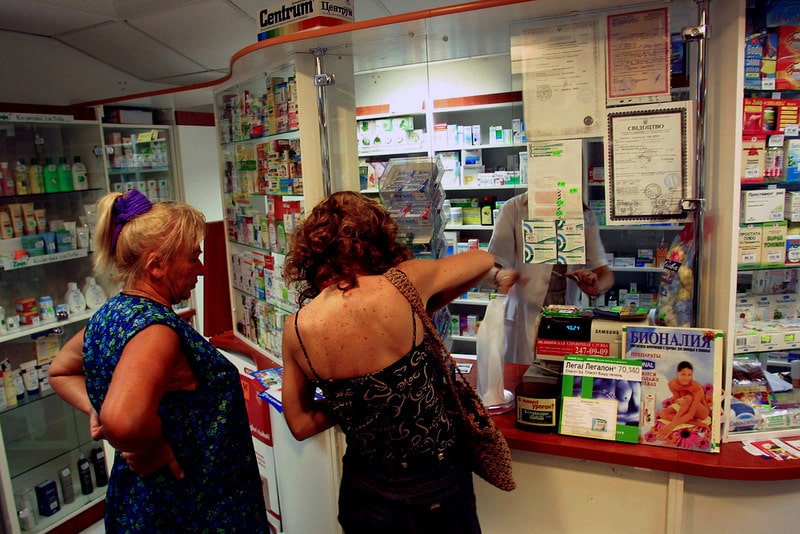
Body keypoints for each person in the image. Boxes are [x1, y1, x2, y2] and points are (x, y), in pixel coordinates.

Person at [280, 191, 518, 534]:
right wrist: (422, 305)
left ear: (311, 252)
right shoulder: (403, 283)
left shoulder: (297, 328)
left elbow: (300, 424)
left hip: (364, 490)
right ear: (378, 238)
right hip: (434, 483)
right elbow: (481, 261)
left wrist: (359, 399)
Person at [49, 190, 268, 532]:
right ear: (156, 266)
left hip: (139, 502)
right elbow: (123, 421)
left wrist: (98, 405)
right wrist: (145, 445)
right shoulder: (156, 332)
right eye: (193, 258)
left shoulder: (112, 313)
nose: (202, 269)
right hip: (191, 506)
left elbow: (61, 370)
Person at [488, 192, 615, 363]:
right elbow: (490, 267)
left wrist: (597, 287)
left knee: (562, 382)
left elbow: (605, 274)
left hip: (566, 320)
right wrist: (500, 276)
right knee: (523, 381)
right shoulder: (514, 208)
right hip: (523, 318)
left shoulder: (583, 214)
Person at [654, 360, 711, 440]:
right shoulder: (672, 384)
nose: (686, 378)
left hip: (701, 412)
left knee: (689, 397)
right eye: (683, 374)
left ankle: (695, 421)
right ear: (677, 373)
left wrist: (670, 426)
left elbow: (691, 413)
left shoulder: (696, 388)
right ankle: (695, 422)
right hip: (685, 407)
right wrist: (678, 401)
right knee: (662, 413)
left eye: (689, 375)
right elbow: (677, 398)